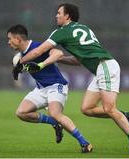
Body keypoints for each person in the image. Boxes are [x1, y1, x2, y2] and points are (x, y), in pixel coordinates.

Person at [19, 4, 129, 155]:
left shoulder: (61, 32)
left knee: (109, 108)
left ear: (67, 16)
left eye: (59, 13)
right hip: (102, 68)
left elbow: (39, 50)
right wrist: (58, 59)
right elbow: (78, 60)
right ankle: (125, 116)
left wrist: (20, 63)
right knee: (87, 109)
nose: (56, 16)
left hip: (104, 65)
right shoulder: (84, 28)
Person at [7, 24, 93, 153]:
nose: (8, 42)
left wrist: (41, 65)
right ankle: (54, 122)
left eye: (10, 39)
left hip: (56, 85)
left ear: (18, 39)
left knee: (55, 113)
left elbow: (58, 53)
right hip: (41, 89)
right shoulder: (19, 57)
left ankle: (85, 143)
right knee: (21, 113)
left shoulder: (37, 47)